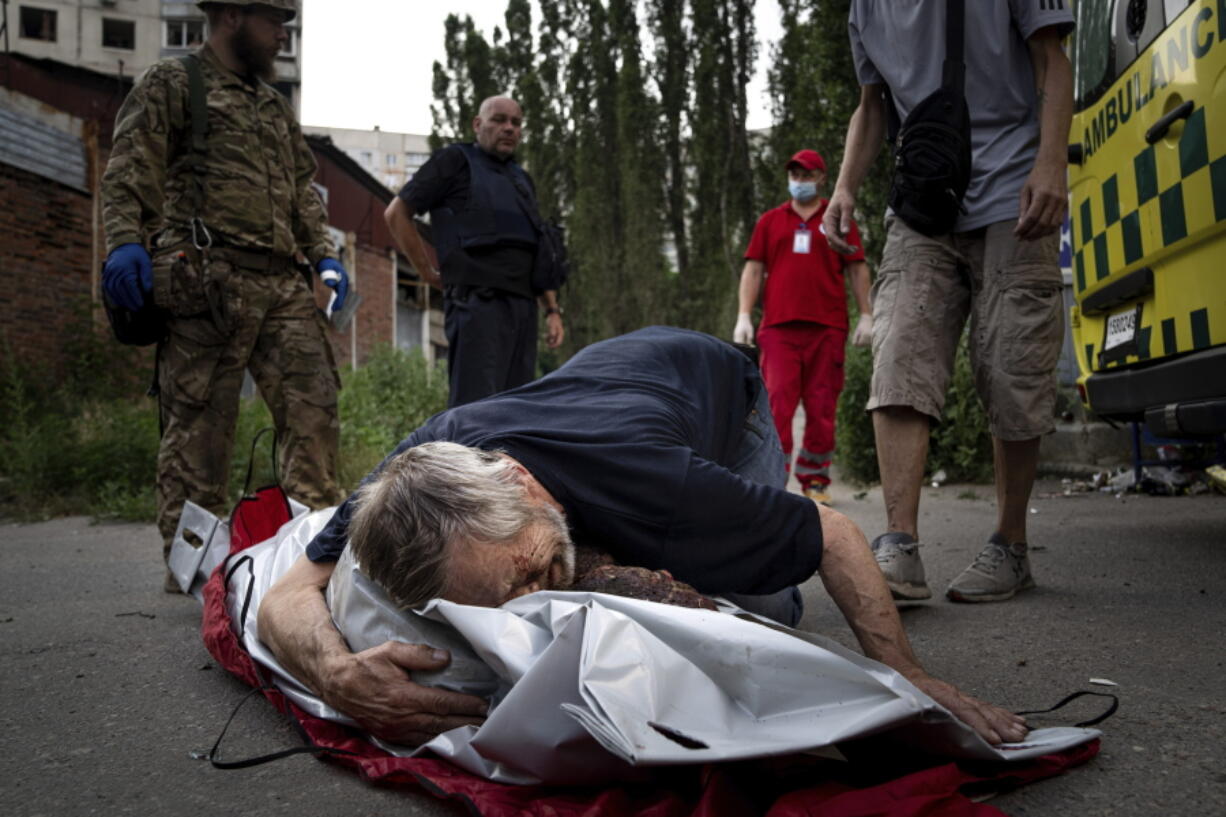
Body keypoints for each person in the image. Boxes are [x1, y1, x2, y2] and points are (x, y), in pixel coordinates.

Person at [255, 327, 1029, 748]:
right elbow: (289, 594)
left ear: (522, 484)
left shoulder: (659, 482)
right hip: (611, 380)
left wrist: (908, 676)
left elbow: (834, 534)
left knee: (764, 609)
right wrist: (334, 673)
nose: (536, 601)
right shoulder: (417, 471)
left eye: (530, 571)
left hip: (724, 393)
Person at [821, 1, 1074, 604]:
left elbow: (1053, 62)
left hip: (1017, 198)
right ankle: (899, 547)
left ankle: (1010, 546)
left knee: (1014, 369)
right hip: (923, 201)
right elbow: (871, 105)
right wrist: (844, 187)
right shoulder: (865, 8)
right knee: (900, 356)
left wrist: (1051, 165)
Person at [100, 0, 346, 591]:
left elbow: (300, 191)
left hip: (282, 284)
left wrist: (324, 255)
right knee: (200, 431)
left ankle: (311, 562)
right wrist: (124, 241)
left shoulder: (272, 105)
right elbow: (132, 165)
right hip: (207, 279)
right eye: (273, 23)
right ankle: (197, 574)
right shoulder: (176, 82)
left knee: (314, 409)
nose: (281, 36)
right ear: (234, 16)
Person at [383, 96, 564, 408]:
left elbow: (538, 246)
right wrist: (427, 272)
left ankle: (507, 459)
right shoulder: (454, 161)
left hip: (522, 308)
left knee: (517, 408)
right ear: (478, 125)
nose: (508, 128)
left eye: (516, 123)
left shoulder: (522, 180)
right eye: (499, 120)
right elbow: (396, 214)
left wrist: (552, 310)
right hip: (477, 303)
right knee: (476, 408)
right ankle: (463, 459)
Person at [735, 149, 872, 505]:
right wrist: (744, 316)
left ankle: (815, 480)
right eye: (795, 175)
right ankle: (772, 480)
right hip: (779, 329)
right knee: (776, 405)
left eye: (807, 175)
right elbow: (752, 269)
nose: (800, 182)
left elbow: (857, 268)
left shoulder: (838, 219)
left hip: (827, 328)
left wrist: (867, 314)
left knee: (822, 406)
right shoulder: (770, 221)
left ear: (822, 179)